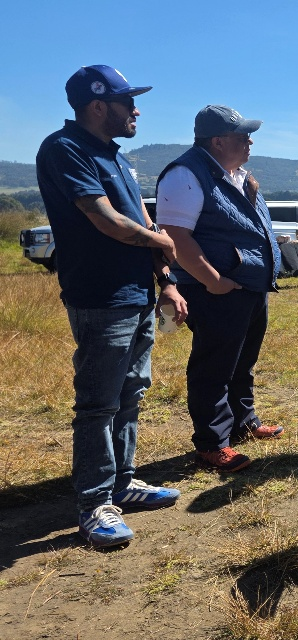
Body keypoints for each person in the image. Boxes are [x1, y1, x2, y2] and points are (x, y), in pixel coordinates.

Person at [36, 65, 185, 548]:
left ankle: (123, 483)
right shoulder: (65, 149)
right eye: (128, 102)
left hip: (137, 294)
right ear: (98, 105)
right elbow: (105, 219)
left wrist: (166, 281)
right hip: (100, 297)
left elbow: (139, 217)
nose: (136, 110)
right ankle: (94, 503)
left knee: (131, 392)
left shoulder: (115, 155)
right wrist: (161, 240)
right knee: (98, 403)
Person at [156, 105, 283, 473]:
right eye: (242, 136)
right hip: (215, 289)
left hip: (248, 287)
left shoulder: (237, 175)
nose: (250, 142)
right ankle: (212, 444)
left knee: (242, 361)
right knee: (214, 367)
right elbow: (176, 237)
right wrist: (214, 280)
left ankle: (244, 422)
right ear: (217, 141)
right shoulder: (185, 174)